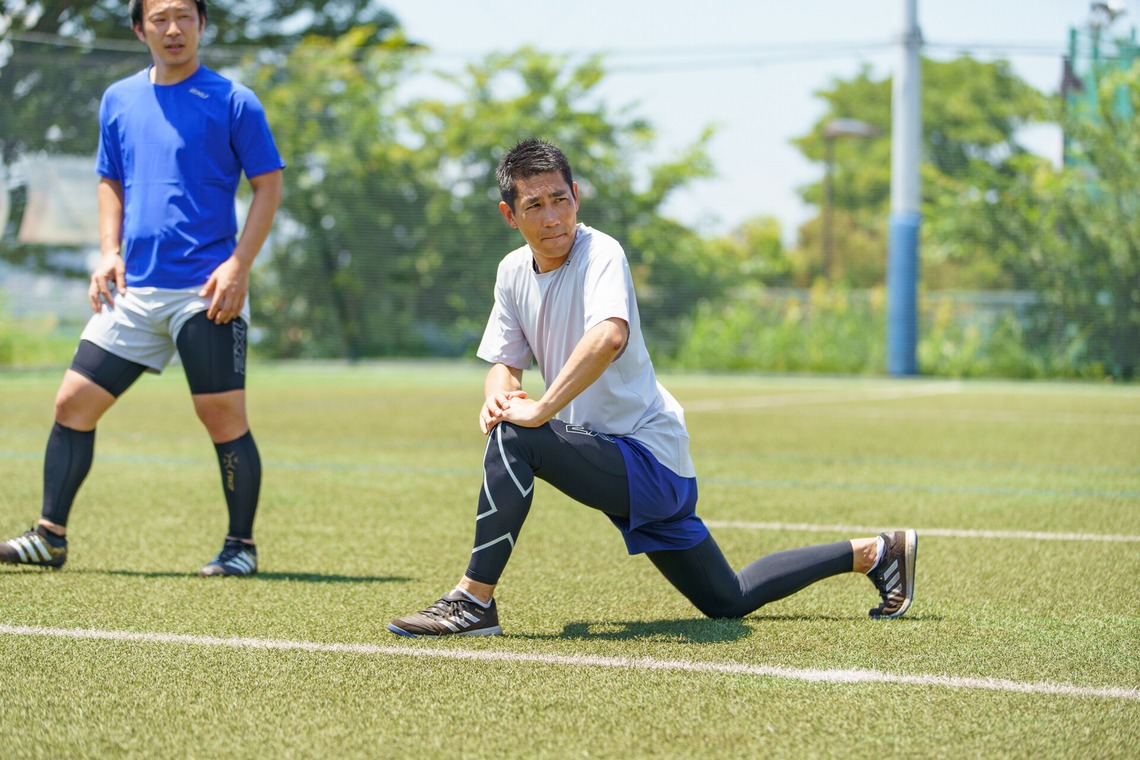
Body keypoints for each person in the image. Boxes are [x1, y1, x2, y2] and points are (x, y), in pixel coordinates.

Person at [388, 139, 917, 637]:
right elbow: (505, 362)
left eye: (560, 199)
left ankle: (473, 601)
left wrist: (539, 408)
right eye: (534, 206)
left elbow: (608, 336)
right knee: (726, 599)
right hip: (607, 457)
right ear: (510, 215)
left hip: (649, 459)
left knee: (517, 437)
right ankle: (875, 551)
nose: (552, 217)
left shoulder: (601, 253)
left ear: (577, 196)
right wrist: (500, 396)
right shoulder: (511, 272)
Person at [0, 0, 284, 576]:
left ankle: (240, 548)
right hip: (134, 289)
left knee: (221, 416)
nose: (172, 28)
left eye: (184, 16)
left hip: (206, 289)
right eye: (159, 18)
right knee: (71, 403)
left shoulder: (234, 101)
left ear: (202, 24)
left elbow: (268, 186)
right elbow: (109, 179)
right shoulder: (118, 99)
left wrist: (239, 264)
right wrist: (107, 251)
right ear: (139, 28)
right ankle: (49, 537)